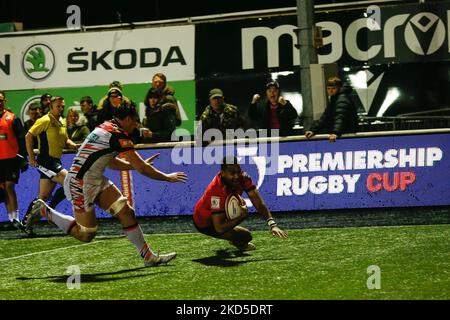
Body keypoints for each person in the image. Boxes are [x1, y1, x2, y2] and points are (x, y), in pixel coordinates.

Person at [26, 104, 187, 267]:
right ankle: (45, 211)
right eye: (135, 121)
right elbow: (143, 169)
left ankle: (148, 257)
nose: (136, 125)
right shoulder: (117, 134)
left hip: (92, 177)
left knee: (125, 211)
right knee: (86, 234)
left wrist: (135, 165)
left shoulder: (106, 127)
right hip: (80, 183)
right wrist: (167, 177)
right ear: (128, 119)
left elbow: (110, 162)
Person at [193, 156, 287, 251]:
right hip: (204, 222)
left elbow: (258, 202)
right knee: (245, 237)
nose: (237, 176)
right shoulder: (216, 191)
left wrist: (272, 224)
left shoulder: (243, 178)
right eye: (232, 173)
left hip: (222, 213)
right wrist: (242, 216)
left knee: (244, 236)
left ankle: (235, 239)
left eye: (238, 172)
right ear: (223, 173)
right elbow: (219, 228)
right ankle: (236, 240)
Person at [22, 96, 78, 234]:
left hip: (55, 162)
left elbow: (66, 140)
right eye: (58, 106)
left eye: (62, 106)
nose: (61, 108)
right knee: (71, 183)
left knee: (43, 197)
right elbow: (28, 136)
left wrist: (73, 145)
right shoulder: (44, 120)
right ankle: (50, 211)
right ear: (51, 107)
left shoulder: (62, 121)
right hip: (47, 161)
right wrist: (31, 158)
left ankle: (26, 223)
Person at [0, 90, 28, 231]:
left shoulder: (12, 118)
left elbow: (22, 138)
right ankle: (10, 218)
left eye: (1, 100)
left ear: (4, 101)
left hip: (11, 159)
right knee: (3, 189)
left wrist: (23, 157)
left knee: (9, 186)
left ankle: (16, 218)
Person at [305, 76, 359, 142]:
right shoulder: (335, 99)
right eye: (328, 88)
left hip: (346, 136)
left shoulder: (341, 99)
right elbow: (325, 117)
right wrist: (313, 130)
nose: (330, 91)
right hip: (344, 134)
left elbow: (340, 117)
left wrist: (335, 133)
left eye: (333, 88)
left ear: (339, 88)